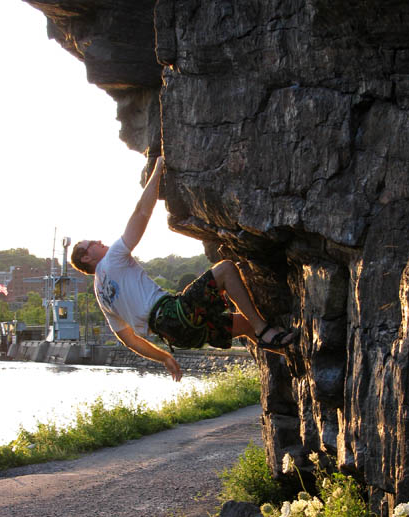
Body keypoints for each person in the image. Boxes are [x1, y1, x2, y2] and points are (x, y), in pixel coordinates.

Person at [70, 156, 295, 381]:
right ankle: (265, 331)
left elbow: (129, 340)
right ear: (87, 257)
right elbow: (141, 213)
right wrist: (157, 171)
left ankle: (293, 355)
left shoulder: (101, 296)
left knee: (245, 324)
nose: (98, 241)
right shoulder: (112, 258)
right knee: (226, 270)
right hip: (173, 315)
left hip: (178, 335)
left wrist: (164, 357)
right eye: (91, 244)